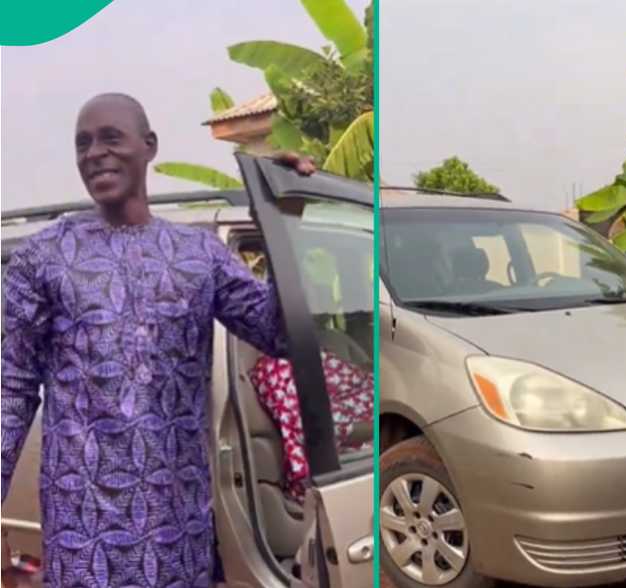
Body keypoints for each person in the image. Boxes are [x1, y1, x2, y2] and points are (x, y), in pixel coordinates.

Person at [1, 93, 314, 587]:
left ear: (149, 147)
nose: (94, 153)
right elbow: (11, 388)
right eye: (82, 143)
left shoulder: (198, 254)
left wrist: (286, 221)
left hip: (176, 529)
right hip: (83, 535)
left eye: (110, 137)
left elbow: (276, 332)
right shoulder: (44, 257)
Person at [250, 349, 374, 503]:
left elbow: (353, 380)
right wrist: (370, 428)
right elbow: (312, 430)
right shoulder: (276, 368)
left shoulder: (306, 350)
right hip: (330, 464)